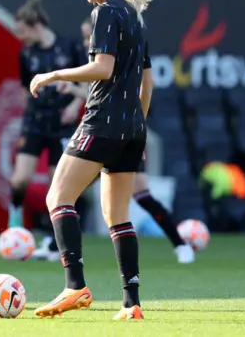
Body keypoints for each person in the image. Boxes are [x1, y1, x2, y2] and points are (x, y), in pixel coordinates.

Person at [29, 0, 159, 320]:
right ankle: (131, 303)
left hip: (102, 121)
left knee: (58, 197)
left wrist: (54, 74)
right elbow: (146, 82)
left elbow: (102, 69)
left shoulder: (105, 12)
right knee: (118, 217)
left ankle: (75, 286)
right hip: (131, 128)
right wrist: (140, 127)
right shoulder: (135, 16)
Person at [59, 22, 195, 265]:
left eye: (87, 36)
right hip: (106, 134)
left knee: (139, 195)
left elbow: (116, 95)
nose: (84, 42)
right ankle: (58, 247)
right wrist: (73, 98)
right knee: (68, 193)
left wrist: (67, 84)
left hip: (115, 135)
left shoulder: (115, 57)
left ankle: (180, 244)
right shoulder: (98, 58)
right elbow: (92, 94)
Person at [8, 0, 86, 261]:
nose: (21, 37)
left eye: (22, 31)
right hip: (35, 121)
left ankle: (55, 240)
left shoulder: (69, 48)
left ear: (36, 25)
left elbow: (86, 84)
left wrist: (74, 104)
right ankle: (15, 223)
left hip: (62, 124)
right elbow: (22, 86)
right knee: (20, 179)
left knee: (58, 185)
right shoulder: (26, 53)